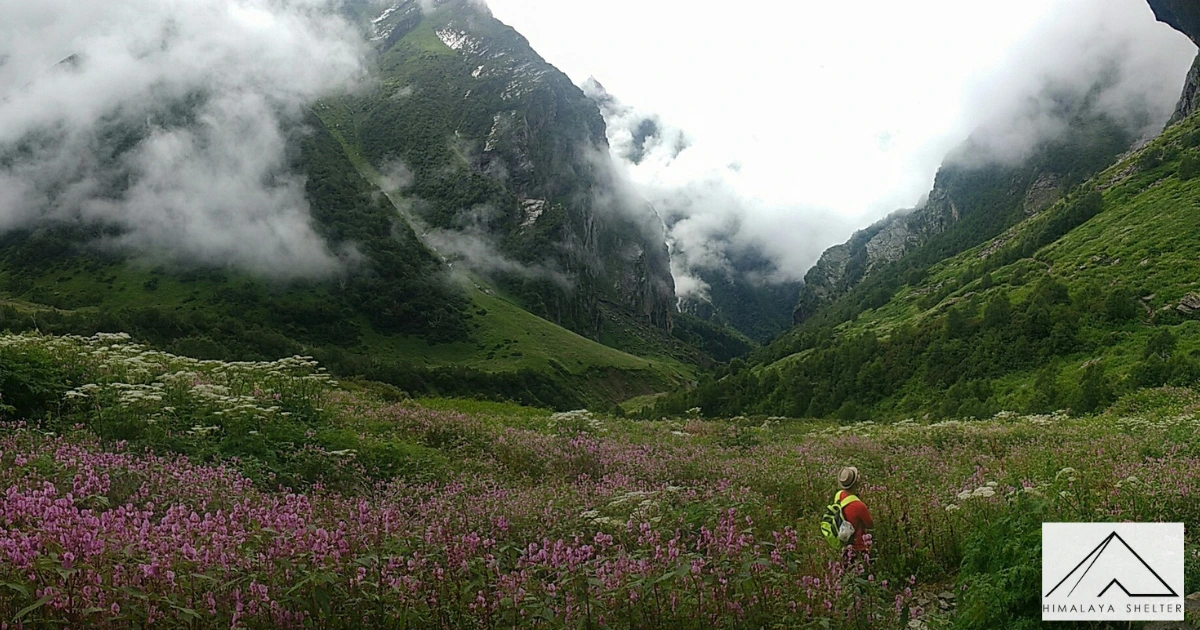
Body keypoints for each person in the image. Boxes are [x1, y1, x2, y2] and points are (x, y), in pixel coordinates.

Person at [835, 466, 873, 552]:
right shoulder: (859, 506)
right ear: (856, 482)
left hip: (843, 544)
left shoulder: (838, 495)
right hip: (858, 547)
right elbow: (870, 525)